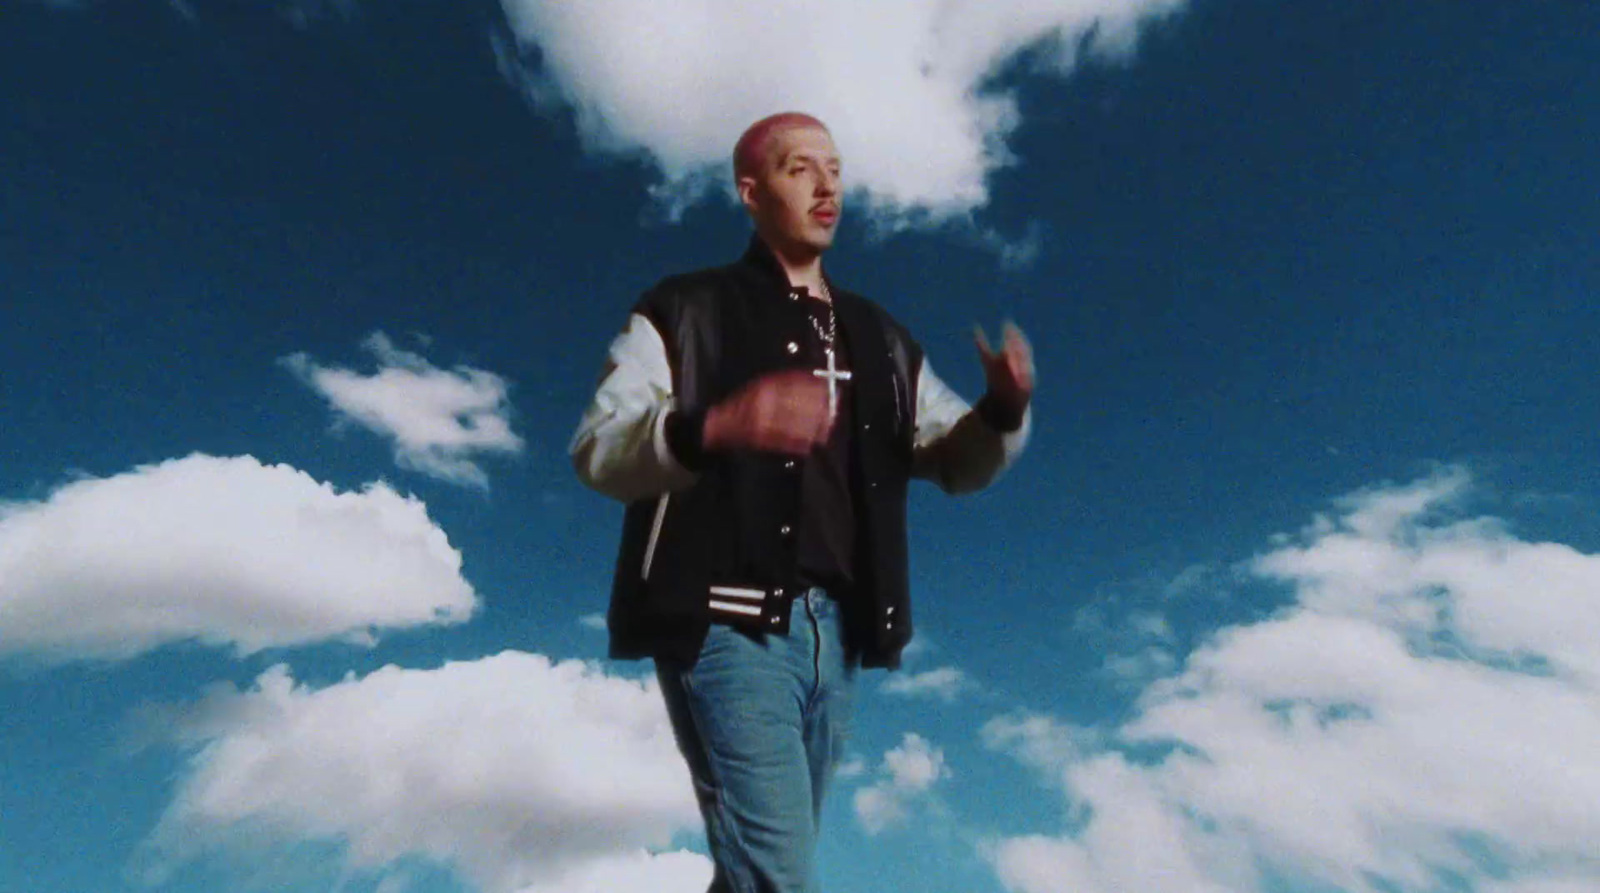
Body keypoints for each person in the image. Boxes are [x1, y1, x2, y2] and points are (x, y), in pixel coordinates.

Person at [570, 111, 1033, 893]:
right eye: (799, 168)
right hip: (724, 623)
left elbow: (954, 458)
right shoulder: (682, 308)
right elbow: (598, 447)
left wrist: (1000, 412)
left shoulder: (880, 335)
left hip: (838, 637)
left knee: (755, 871)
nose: (827, 187)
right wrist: (714, 424)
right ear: (751, 193)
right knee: (779, 875)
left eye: (836, 169)